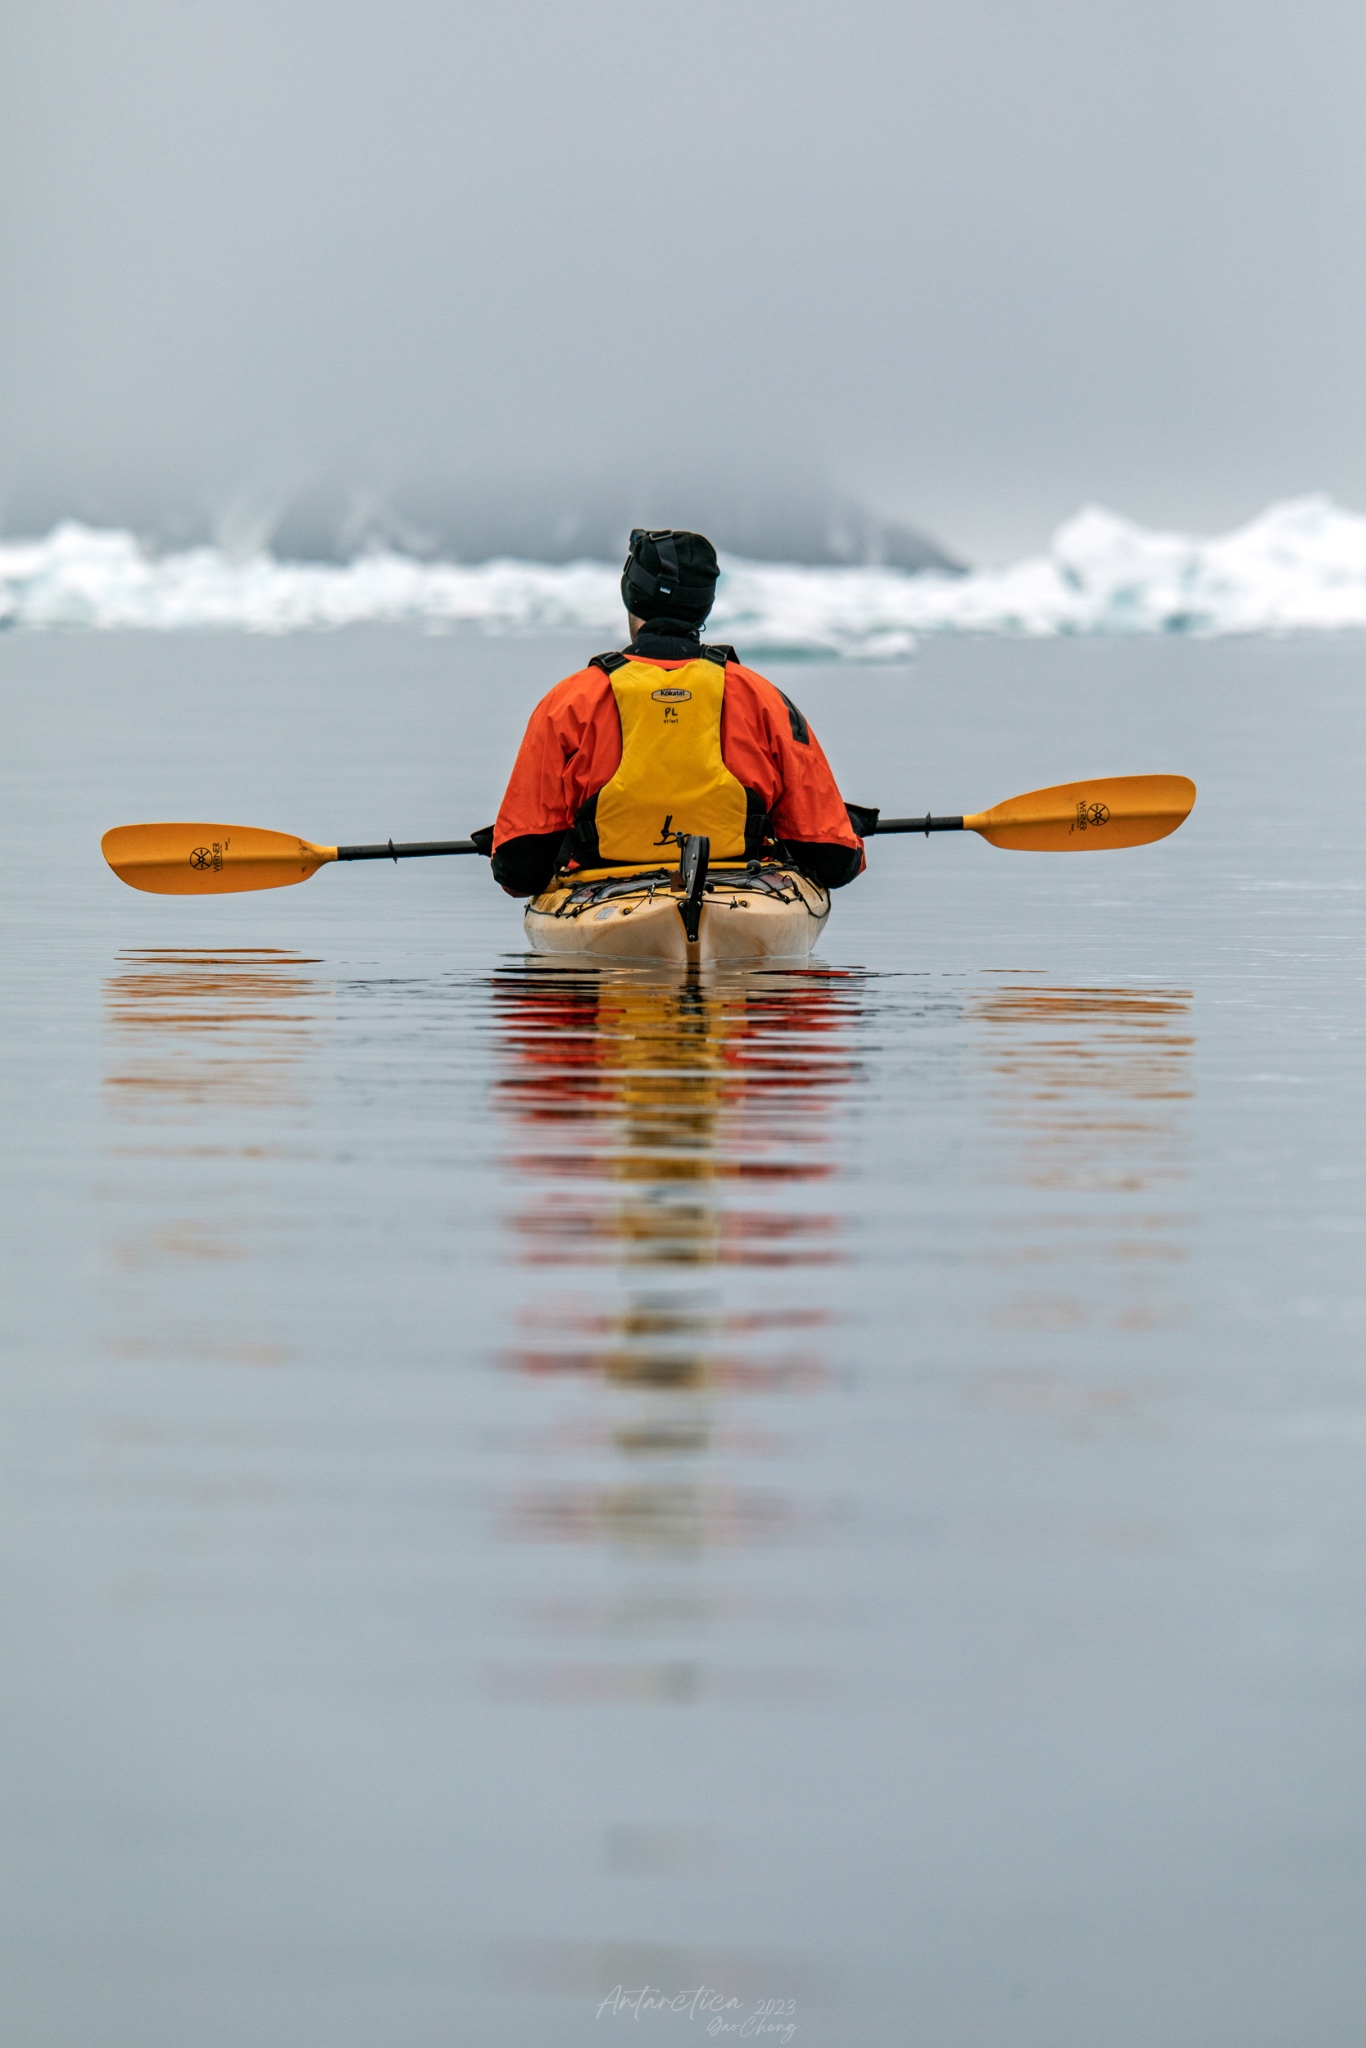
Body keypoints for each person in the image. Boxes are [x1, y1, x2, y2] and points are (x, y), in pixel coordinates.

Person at [490, 528, 866, 897]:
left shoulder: (568, 702)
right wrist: (845, 828)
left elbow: (520, 868)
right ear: (704, 603)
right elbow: (833, 859)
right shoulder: (765, 700)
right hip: (741, 891)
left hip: (603, 893)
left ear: (632, 596)